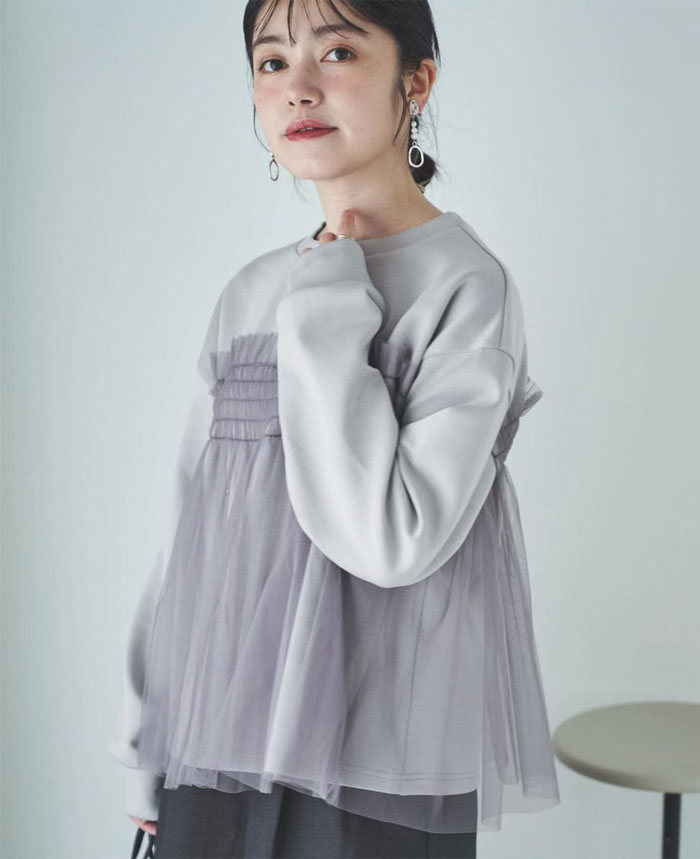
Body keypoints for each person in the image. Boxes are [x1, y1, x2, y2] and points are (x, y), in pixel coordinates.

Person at [108, 0, 561, 856]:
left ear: (416, 81)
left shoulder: (466, 286)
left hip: (376, 768)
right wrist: (147, 740)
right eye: (271, 61)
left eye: (339, 51)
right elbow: (191, 539)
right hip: (219, 747)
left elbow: (393, 539)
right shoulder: (251, 290)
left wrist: (327, 304)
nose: (298, 86)